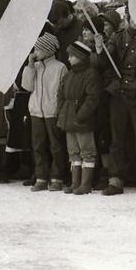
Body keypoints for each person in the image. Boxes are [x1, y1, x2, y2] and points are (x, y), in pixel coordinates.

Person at [98, 13, 136, 197]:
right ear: (126, 17)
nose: (134, 20)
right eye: (132, 16)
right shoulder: (116, 38)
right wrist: (100, 49)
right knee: (117, 140)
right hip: (119, 96)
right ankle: (115, 180)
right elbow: (105, 63)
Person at [22, 32, 68, 191]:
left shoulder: (60, 67)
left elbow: (63, 91)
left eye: (38, 49)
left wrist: (59, 109)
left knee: (56, 146)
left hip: (52, 111)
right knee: (38, 145)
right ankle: (41, 176)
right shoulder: (34, 67)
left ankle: (57, 177)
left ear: (48, 50)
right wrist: (29, 66)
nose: (35, 52)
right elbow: (27, 86)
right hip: (36, 111)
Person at [57, 39, 101, 195]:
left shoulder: (91, 74)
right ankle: (75, 182)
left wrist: (80, 115)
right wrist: (62, 111)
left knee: (87, 152)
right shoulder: (69, 74)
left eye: (72, 56)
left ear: (80, 57)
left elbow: (92, 99)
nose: (69, 58)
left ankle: (85, 184)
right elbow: (61, 94)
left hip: (82, 121)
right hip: (69, 119)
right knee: (73, 152)